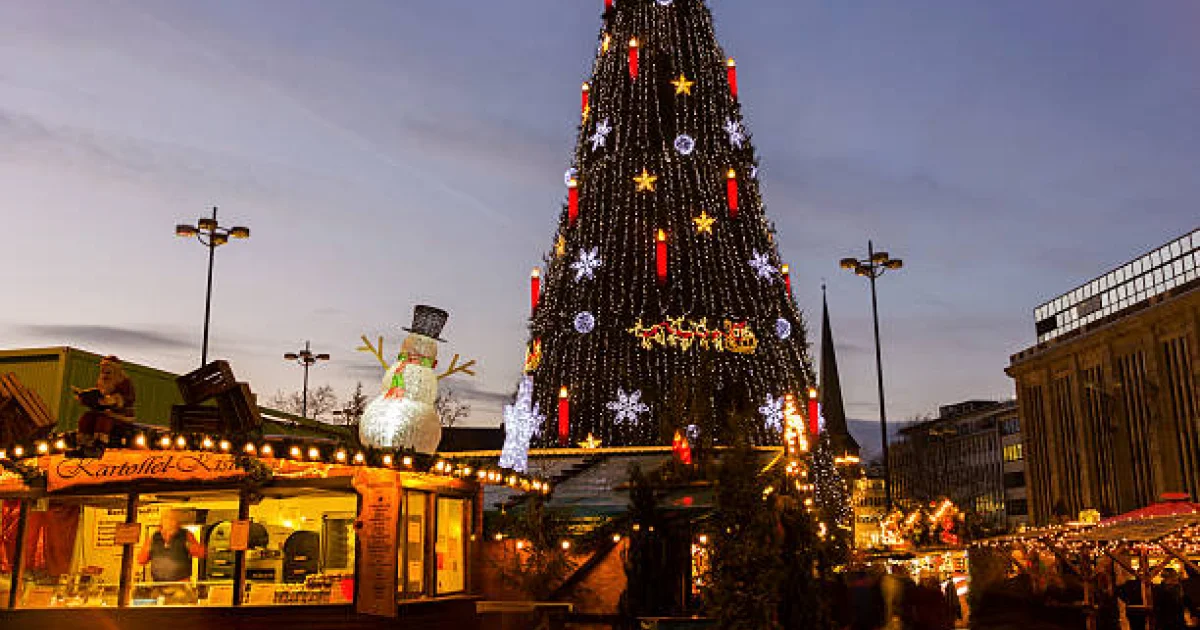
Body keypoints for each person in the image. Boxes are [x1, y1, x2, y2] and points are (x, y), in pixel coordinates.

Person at [68, 355, 135, 457]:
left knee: (103, 420)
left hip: (120, 414)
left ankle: (98, 447)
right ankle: (83, 445)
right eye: (103, 372)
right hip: (103, 410)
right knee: (86, 417)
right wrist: (87, 398)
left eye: (108, 372)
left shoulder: (124, 382)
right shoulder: (101, 382)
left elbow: (128, 398)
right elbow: (98, 394)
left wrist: (114, 400)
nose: (104, 375)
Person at [136, 509, 205, 582]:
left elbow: (202, 553)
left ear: (177, 521)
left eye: (172, 519)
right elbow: (141, 560)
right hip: (158, 584)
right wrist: (148, 550)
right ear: (161, 521)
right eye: (166, 518)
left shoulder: (186, 535)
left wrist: (190, 546)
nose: (169, 521)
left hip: (181, 584)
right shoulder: (153, 537)